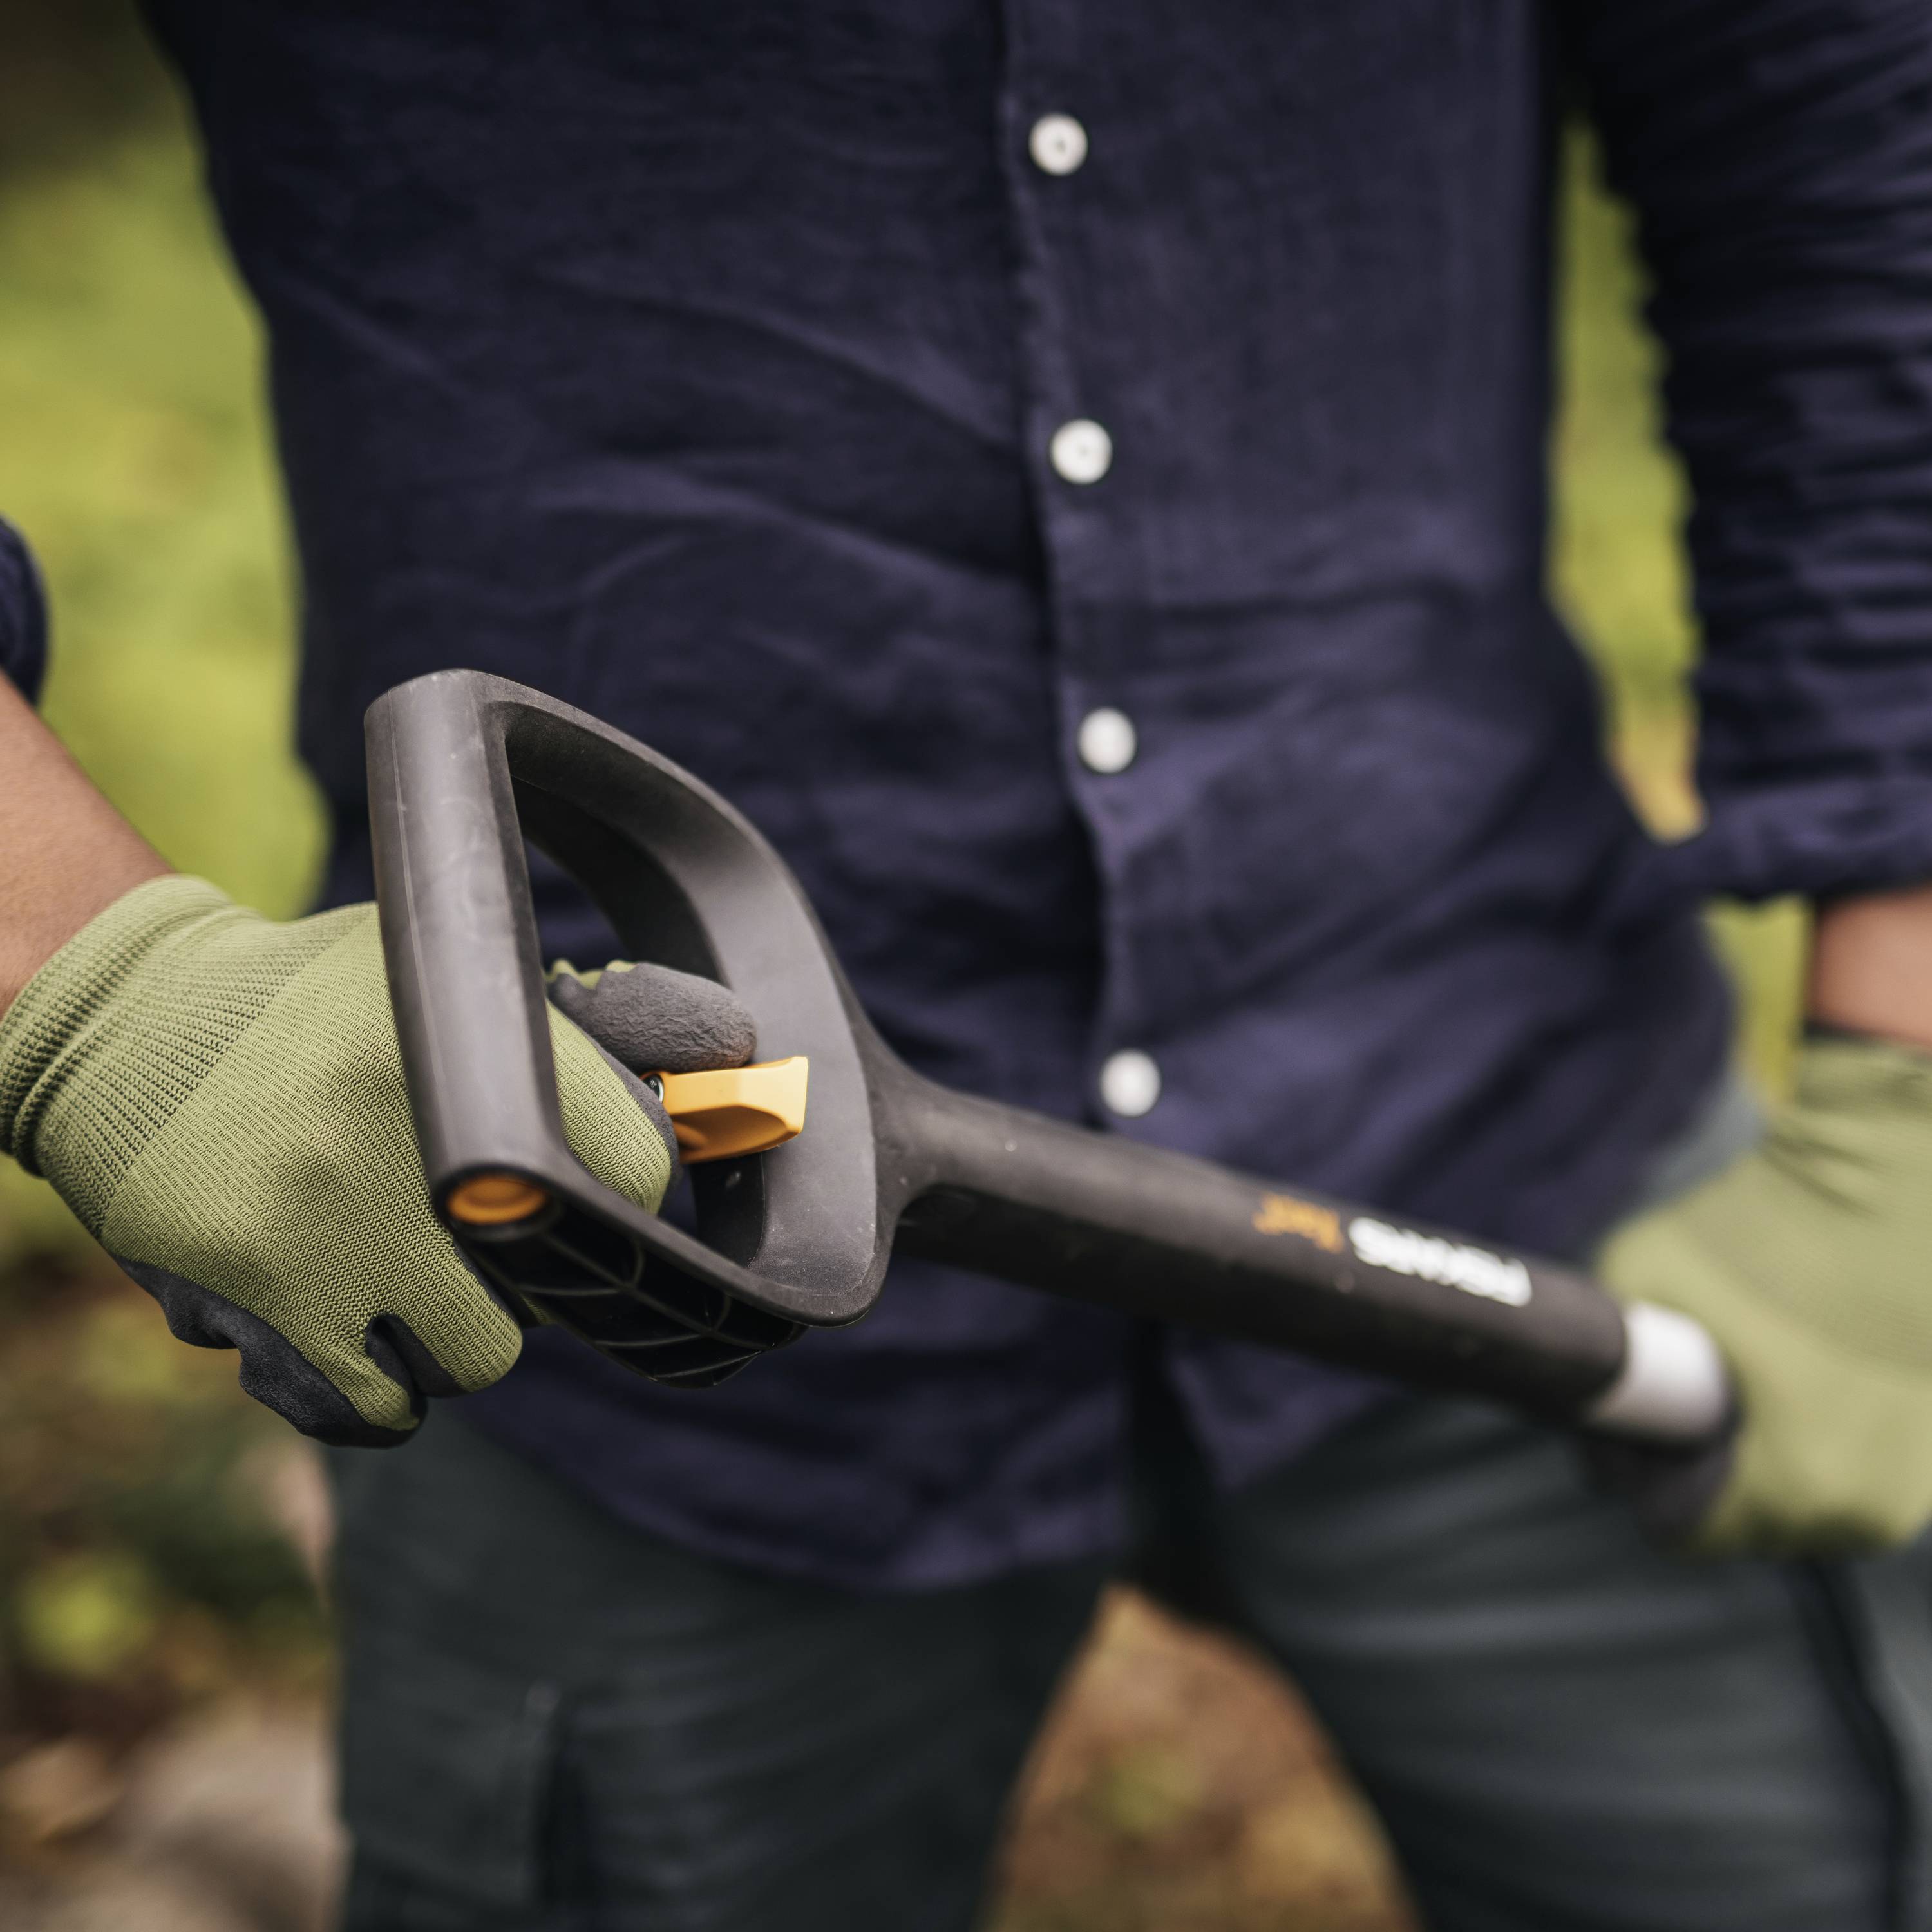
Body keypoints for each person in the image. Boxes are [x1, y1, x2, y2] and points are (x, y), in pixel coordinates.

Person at [4, 3, 1932, 1925]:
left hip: (1498, 1121)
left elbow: (1851, 141)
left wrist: (1913, 1065)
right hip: (628, 1246)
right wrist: (92, 984)